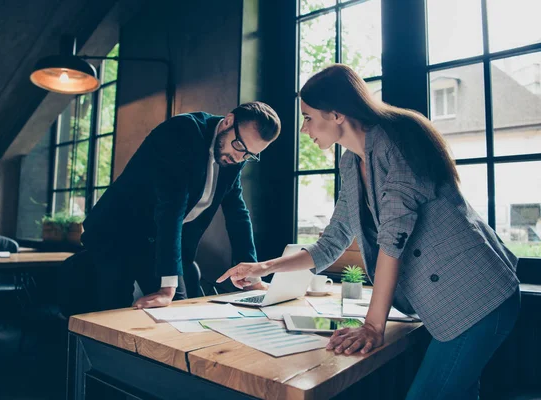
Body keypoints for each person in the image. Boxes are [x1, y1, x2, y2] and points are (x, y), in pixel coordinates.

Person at [217, 65, 520, 399]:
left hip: (478, 296)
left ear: (335, 115)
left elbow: (394, 238)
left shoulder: (397, 141)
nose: (304, 129)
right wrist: (264, 268)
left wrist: (374, 326)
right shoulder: (350, 163)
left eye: (307, 117)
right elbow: (332, 242)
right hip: (450, 304)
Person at [59, 102, 281, 314]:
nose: (240, 157)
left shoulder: (235, 156)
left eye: (249, 154)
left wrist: (253, 277)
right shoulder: (182, 132)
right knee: (113, 310)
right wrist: (167, 288)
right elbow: (171, 207)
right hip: (117, 233)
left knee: (177, 310)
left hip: (157, 241)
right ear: (228, 121)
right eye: (240, 146)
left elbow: (237, 214)